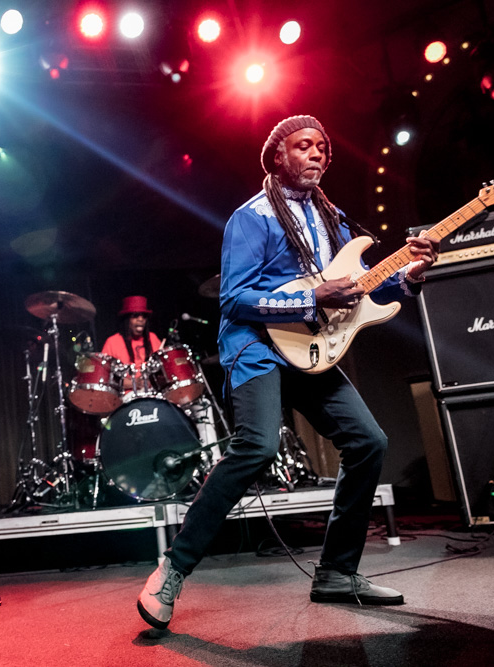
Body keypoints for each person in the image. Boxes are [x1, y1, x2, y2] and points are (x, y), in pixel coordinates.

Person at [136, 115, 439, 629]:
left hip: (314, 348)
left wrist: (406, 276)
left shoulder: (334, 220)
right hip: (255, 347)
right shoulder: (252, 218)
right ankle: (173, 568)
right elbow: (234, 299)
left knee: (368, 442)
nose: (318, 153)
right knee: (256, 446)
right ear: (278, 156)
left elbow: (360, 291)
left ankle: (337, 573)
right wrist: (310, 294)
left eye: (322, 146)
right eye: (304, 146)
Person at [100, 295, 164, 393]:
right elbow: (104, 378)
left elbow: (164, 373)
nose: (141, 319)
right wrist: (134, 383)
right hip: (126, 400)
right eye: (135, 315)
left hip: (154, 395)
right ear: (127, 319)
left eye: (144, 316)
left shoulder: (152, 338)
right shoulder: (112, 342)